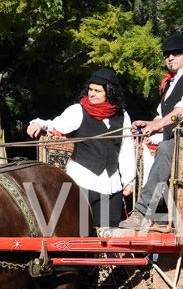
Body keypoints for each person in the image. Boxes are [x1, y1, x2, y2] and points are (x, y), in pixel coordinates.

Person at [119, 33, 183, 231]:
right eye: (167, 54)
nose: (170, 58)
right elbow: (160, 117)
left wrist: (156, 125)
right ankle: (162, 216)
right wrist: (148, 125)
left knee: (165, 147)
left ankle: (142, 211)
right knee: (156, 148)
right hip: (177, 145)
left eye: (176, 53)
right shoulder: (169, 85)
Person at [27, 68, 135, 228]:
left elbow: (126, 149)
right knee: (82, 232)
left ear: (109, 93)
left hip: (111, 184)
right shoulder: (78, 111)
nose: (91, 94)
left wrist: (128, 180)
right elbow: (56, 124)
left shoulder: (122, 116)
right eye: (90, 89)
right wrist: (38, 123)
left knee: (110, 234)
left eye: (97, 91)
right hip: (83, 182)